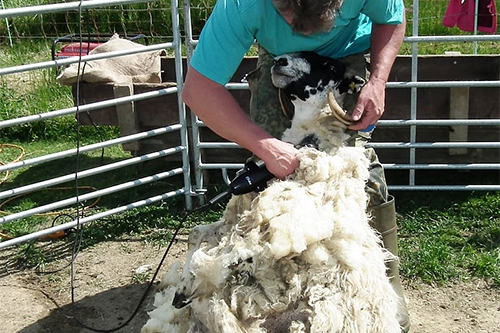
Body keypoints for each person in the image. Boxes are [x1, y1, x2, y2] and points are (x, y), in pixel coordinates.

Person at [182, 1, 410, 332]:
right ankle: (271, 282)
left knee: (348, 170)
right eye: (287, 12)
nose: (297, 27)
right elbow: (199, 89)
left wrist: (377, 81)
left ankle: (381, 282)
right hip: (280, 61)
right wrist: (265, 145)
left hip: (345, 61)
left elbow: (392, 18)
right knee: (275, 176)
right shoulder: (242, 5)